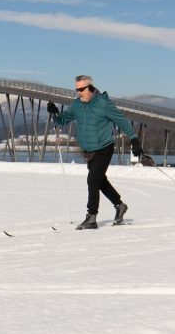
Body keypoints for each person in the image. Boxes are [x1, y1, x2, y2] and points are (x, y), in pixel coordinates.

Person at [47, 75, 154, 229]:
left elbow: (122, 121)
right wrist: (55, 112)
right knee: (99, 181)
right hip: (89, 150)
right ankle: (119, 205)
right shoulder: (77, 105)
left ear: (91, 88)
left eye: (81, 89)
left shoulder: (103, 104)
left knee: (92, 180)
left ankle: (91, 217)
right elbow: (62, 120)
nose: (78, 93)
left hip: (104, 147)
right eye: (77, 90)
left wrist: (134, 140)